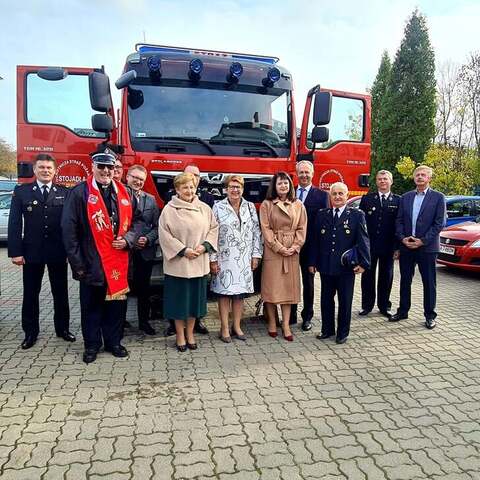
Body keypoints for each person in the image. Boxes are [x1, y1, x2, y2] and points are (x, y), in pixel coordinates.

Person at [62, 150, 142, 363]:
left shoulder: (125, 192)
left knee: (116, 307)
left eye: (110, 167)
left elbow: (138, 222)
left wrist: (128, 239)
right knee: (91, 307)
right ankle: (91, 345)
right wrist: (78, 265)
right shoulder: (79, 193)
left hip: (119, 261)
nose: (106, 171)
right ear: (93, 167)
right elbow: (69, 232)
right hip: (92, 264)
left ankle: (113, 342)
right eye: (101, 166)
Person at [8, 153, 74, 349]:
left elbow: (70, 224)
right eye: (42, 167)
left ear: (55, 171)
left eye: (49, 168)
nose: (46, 171)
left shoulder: (65, 192)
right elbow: (14, 224)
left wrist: (71, 251)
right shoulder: (22, 192)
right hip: (31, 252)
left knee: (60, 293)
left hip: (57, 252)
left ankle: (62, 329)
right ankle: (30, 333)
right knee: (30, 294)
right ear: (35, 170)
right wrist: (15, 252)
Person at [158, 172, 218, 352]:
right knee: (178, 303)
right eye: (185, 187)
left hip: (198, 262)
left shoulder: (204, 208)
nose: (189, 190)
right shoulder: (169, 210)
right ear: (177, 189)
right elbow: (164, 235)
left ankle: (190, 333)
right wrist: (183, 250)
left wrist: (204, 246)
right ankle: (180, 335)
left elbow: (214, 228)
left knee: (194, 303)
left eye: (192, 187)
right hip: (178, 265)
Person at [308, 182, 370, 344]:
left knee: (345, 300)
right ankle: (327, 329)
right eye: (334, 194)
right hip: (326, 265)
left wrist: (364, 263)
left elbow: (363, 241)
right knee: (326, 299)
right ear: (330, 196)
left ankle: (342, 332)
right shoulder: (322, 214)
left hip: (345, 267)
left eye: (340, 194)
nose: (337, 197)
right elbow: (315, 241)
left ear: (347, 195)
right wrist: (312, 262)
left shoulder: (357, 215)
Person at [390, 165, 446, 329]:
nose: (420, 177)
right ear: (414, 178)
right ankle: (403, 311)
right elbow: (399, 220)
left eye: (423, 175)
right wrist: (402, 239)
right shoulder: (406, 197)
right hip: (407, 245)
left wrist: (423, 241)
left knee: (429, 282)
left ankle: (430, 315)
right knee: (405, 281)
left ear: (429, 178)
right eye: (417, 175)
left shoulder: (438, 197)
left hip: (427, 248)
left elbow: (439, 223)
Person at [210, 175, 263, 342]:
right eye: (232, 186)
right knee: (224, 293)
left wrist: (256, 255)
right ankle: (224, 328)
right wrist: (212, 259)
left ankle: (237, 326)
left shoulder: (250, 207)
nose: (235, 190)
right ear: (226, 189)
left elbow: (256, 232)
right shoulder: (218, 207)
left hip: (244, 259)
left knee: (240, 294)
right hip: (224, 258)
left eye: (238, 187)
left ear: (243, 189)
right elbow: (211, 234)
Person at [259, 171, 307, 341]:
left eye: (286, 183)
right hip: (274, 251)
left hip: (292, 252)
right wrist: (278, 247)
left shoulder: (298, 204)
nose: (283, 186)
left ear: (290, 185)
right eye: (280, 183)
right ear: (275, 186)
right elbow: (266, 229)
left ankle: (286, 324)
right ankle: (272, 321)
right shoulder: (267, 204)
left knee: (288, 291)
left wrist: (295, 247)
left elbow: (302, 228)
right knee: (272, 290)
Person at [290, 160, 328, 331]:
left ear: (313, 174)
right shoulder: (289, 194)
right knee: (289, 281)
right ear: (296, 174)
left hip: (310, 248)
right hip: (290, 247)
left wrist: (320, 252)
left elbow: (325, 226)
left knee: (308, 283)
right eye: (301, 172)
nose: (304, 175)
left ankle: (307, 317)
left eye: (307, 172)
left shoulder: (321, 196)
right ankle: (290, 315)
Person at [358, 170, 400, 318]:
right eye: (380, 179)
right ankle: (367, 305)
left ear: (391, 181)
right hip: (369, 246)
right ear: (376, 182)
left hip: (388, 247)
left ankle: (384, 306)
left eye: (385, 179)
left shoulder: (397, 201)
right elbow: (361, 225)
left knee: (386, 276)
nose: (382, 181)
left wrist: (397, 247)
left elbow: (399, 226)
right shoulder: (367, 199)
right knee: (367, 276)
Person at [126, 165, 160, 335]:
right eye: (135, 177)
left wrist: (147, 239)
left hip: (145, 252)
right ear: (127, 176)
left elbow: (156, 226)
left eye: (141, 179)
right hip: (124, 252)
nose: (137, 181)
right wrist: (130, 240)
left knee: (143, 290)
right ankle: (120, 323)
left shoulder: (151, 200)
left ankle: (144, 322)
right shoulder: (118, 196)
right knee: (123, 289)